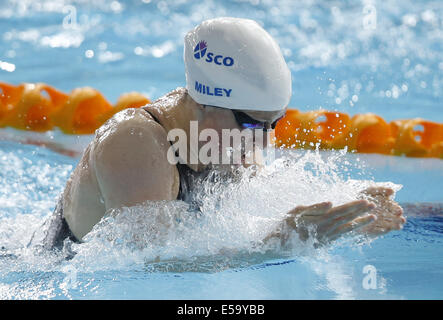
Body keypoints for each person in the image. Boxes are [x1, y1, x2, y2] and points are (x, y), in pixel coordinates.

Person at [42, 17, 405, 251]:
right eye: (251, 123)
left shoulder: (228, 140)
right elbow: (151, 266)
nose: (263, 141)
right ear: (204, 104)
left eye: (273, 124)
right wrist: (278, 244)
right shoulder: (135, 144)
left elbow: (261, 216)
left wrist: (348, 211)